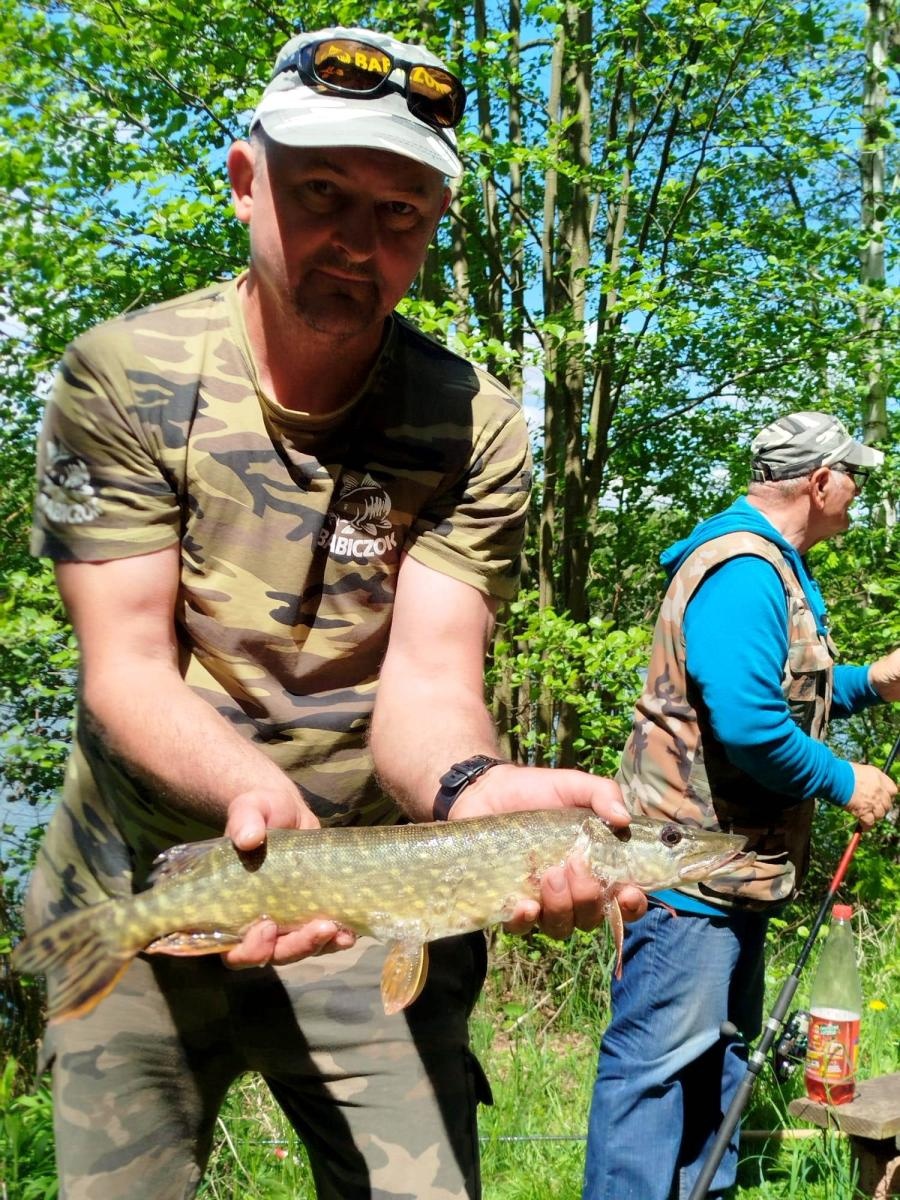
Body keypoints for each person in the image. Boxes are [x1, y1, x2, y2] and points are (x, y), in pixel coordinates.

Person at [24, 26, 648, 1200]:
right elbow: (126, 672)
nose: (358, 245)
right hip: (144, 880)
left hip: (376, 906)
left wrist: (477, 792)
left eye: (401, 215)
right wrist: (264, 808)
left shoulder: (475, 424)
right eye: (322, 194)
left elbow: (427, 690)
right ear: (245, 180)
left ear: (432, 231)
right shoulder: (118, 376)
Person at [582, 410, 900, 1200]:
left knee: (717, 1060)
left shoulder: (771, 567)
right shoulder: (743, 571)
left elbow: (782, 693)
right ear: (820, 481)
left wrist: (871, 681)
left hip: (732, 875)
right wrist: (844, 780)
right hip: (684, 879)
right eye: (852, 476)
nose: (858, 493)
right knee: (653, 1074)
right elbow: (750, 726)